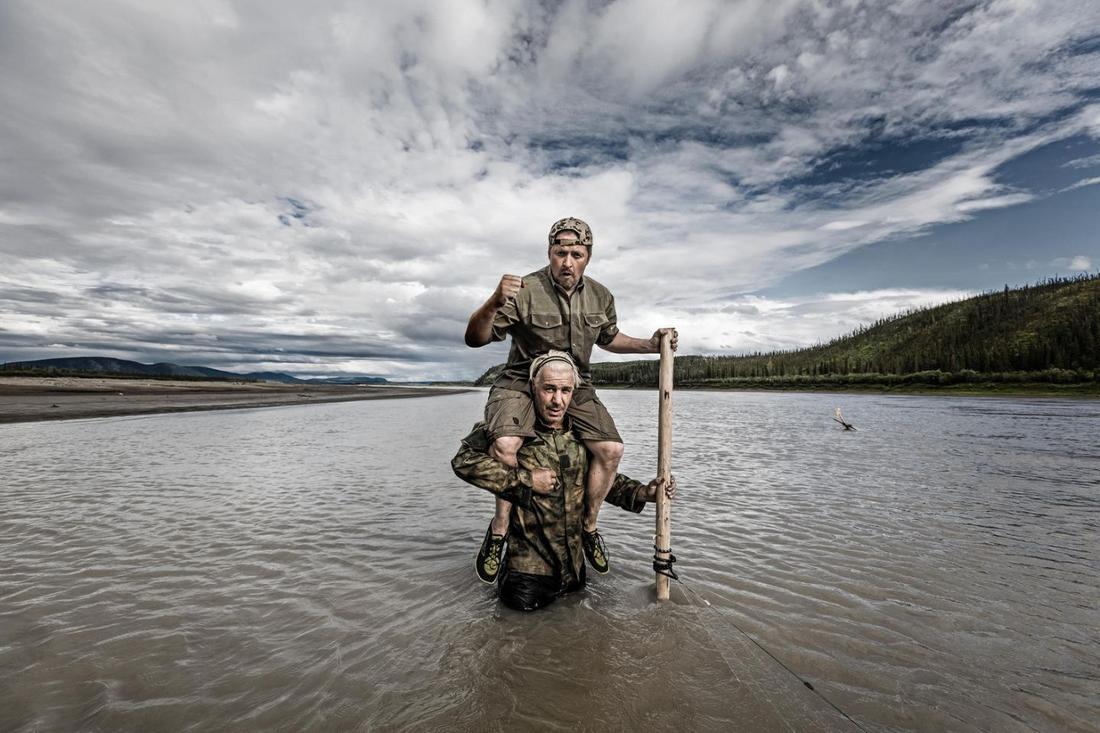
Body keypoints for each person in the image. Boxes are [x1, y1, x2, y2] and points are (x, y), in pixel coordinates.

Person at [464, 216, 677, 583]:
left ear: (588, 257)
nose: (567, 261)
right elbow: (476, 338)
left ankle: (590, 527)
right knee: (505, 443)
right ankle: (500, 528)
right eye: (560, 252)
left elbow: (609, 338)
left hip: (574, 382)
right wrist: (494, 301)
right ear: (549, 252)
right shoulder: (525, 289)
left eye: (576, 254)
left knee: (611, 450)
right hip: (520, 379)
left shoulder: (600, 295)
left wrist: (651, 345)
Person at [451, 351, 676, 612]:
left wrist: (642, 492)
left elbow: (598, 482)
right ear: (533, 387)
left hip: (574, 569)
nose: (557, 400)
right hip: (527, 573)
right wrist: (526, 480)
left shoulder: (583, 432)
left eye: (565, 391)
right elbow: (463, 462)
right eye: (549, 389)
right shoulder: (510, 429)